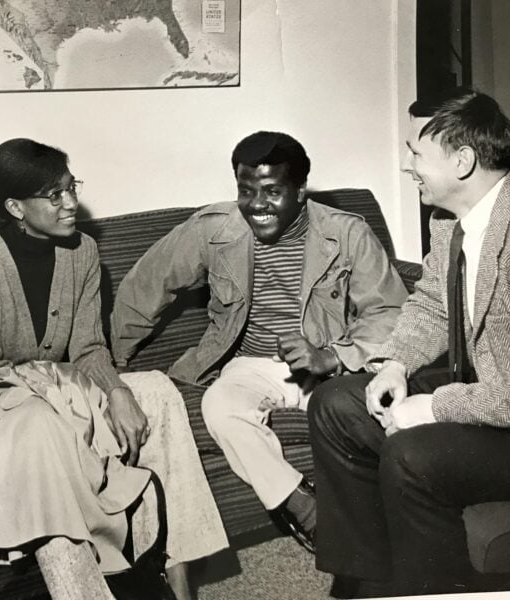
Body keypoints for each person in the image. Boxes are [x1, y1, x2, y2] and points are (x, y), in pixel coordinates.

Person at [0, 138, 227, 600]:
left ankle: (175, 574)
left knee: (159, 392)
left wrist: (119, 394)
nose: (71, 203)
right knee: (44, 432)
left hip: (57, 390)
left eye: (71, 188)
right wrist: (80, 412)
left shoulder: (82, 251)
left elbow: (87, 345)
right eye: (54, 195)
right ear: (15, 207)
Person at [110, 131, 407, 553]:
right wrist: (113, 369)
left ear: (301, 190)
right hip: (249, 364)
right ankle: (305, 508)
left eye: (272, 192)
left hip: (328, 368)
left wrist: (334, 357)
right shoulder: (213, 230)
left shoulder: (347, 233)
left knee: (385, 418)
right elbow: (143, 289)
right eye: (246, 191)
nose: (257, 205)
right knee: (220, 408)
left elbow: (390, 310)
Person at [308, 88, 510, 597]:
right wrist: (395, 365)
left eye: (417, 153)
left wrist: (434, 407)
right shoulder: (450, 223)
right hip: (485, 387)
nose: (408, 166)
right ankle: (367, 581)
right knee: (336, 402)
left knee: (411, 454)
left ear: (462, 161)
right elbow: (431, 304)